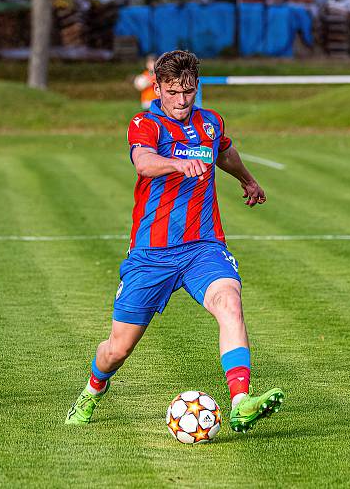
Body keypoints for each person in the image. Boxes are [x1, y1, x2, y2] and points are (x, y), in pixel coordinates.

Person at [66, 50, 283, 432]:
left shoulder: (210, 122)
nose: (182, 100)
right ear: (158, 87)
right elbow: (143, 162)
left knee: (230, 302)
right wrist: (177, 163)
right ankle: (91, 390)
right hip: (151, 254)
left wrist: (248, 180)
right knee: (117, 349)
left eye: (188, 91)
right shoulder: (145, 122)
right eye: (173, 91)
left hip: (204, 246)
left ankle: (241, 401)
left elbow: (225, 152)